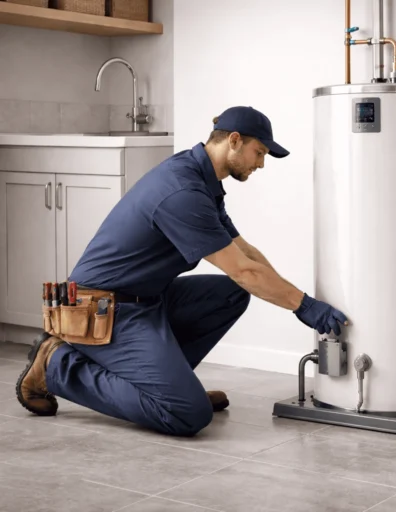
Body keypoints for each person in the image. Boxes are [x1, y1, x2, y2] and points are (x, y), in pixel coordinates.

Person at [16, 106, 349, 436]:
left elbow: (244, 253)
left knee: (231, 295)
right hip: (104, 310)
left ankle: (169, 385)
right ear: (233, 140)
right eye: (258, 152)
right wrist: (303, 305)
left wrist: (295, 296)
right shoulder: (182, 191)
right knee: (187, 414)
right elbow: (243, 270)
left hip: (144, 300)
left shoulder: (203, 181)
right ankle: (57, 367)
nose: (260, 163)